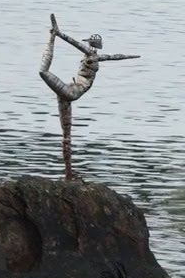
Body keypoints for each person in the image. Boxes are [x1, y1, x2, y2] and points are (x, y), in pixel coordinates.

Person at [39, 14, 138, 179]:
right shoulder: (95, 56)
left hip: (72, 92)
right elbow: (115, 57)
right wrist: (130, 56)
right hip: (70, 93)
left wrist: (56, 34)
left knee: (43, 72)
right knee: (66, 134)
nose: (88, 46)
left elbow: (73, 42)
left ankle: (50, 40)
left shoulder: (91, 55)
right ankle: (68, 172)